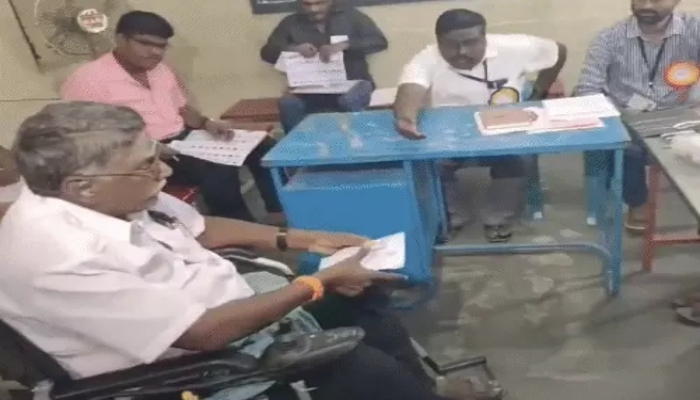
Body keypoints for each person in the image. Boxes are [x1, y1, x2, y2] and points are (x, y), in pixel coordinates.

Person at [0, 101, 497, 400]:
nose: (164, 172)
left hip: (230, 305)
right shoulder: (57, 257)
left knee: (363, 298)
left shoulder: (115, 195)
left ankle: (420, 393)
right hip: (187, 364)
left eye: (158, 157)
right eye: (147, 165)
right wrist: (315, 281)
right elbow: (201, 334)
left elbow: (198, 228)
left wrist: (302, 239)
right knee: (360, 368)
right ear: (82, 186)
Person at [61, 11, 284, 224]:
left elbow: (182, 109)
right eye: (145, 43)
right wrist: (149, 148)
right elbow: (85, 135)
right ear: (121, 39)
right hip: (142, 153)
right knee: (218, 167)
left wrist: (207, 123)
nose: (155, 52)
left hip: (185, 140)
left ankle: (278, 212)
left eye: (161, 46)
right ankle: (238, 229)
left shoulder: (160, 69)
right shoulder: (88, 79)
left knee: (263, 144)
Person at [393, 9, 566, 242]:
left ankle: (498, 218)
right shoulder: (426, 58)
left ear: (485, 38)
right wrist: (406, 119)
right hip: (451, 135)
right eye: (451, 45)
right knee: (430, 164)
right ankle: (454, 216)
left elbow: (559, 51)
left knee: (519, 160)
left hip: (505, 130)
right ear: (438, 42)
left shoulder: (515, 47)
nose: (461, 52)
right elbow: (410, 88)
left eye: (470, 43)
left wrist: (539, 91)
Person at [574, 0, 700, 234]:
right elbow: (587, 88)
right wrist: (611, 116)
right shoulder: (608, 38)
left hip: (685, 113)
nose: (647, 5)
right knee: (624, 146)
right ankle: (637, 202)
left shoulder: (695, 30)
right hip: (629, 116)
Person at [260, 0, 388, 134]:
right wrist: (293, 49)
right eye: (307, 4)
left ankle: (357, 140)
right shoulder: (290, 23)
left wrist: (344, 45)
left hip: (353, 82)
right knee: (288, 104)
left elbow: (379, 42)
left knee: (350, 100)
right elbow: (266, 53)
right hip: (308, 88)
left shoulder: (352, 16)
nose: (313, 9)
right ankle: (298, 143)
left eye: (319, 3)